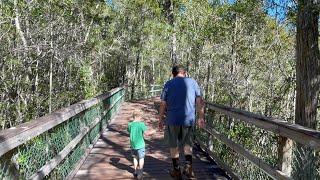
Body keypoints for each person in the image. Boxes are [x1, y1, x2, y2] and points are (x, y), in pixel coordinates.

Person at [158, 65, 205, 179]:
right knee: (188, 144)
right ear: (185, 73)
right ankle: (188, 168)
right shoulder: (193, 82)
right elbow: (199, 101)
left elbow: (163, 104)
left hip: (172, 119)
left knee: (173, 145)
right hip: (188, 119)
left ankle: (176, 170)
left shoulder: (168, 84)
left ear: (173, 74)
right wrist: (200, 117)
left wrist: (160, 119)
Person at [127, 110, 155, 179]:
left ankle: (136, 171)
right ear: (139, 116)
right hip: (141, 145)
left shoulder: (130, 124)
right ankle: (140, 172)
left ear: (133, 116)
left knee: (135, 158)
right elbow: (147, 134)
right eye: (141, 117)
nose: (141, 119)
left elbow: (128, 131)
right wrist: (154, 131)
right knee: (141, 158)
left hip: (133, 145)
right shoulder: (141, 124)